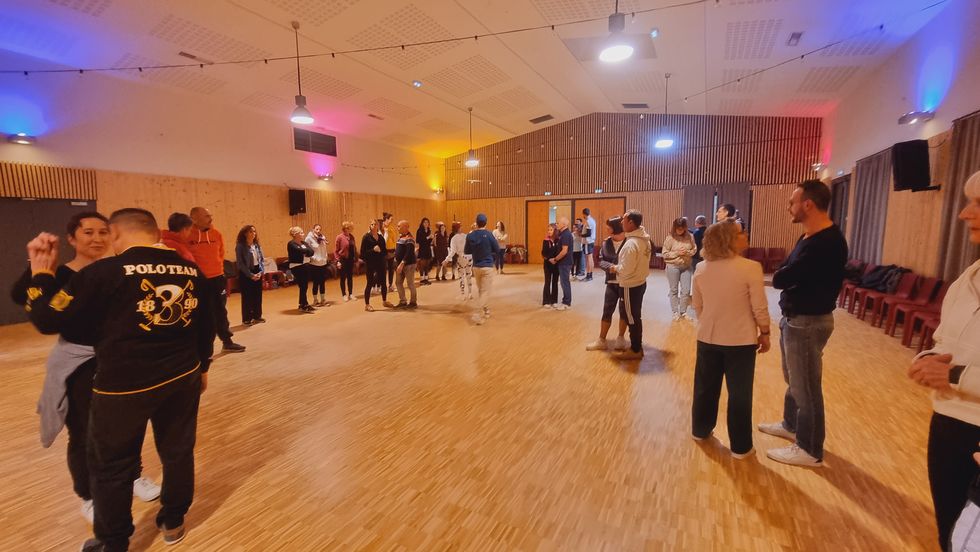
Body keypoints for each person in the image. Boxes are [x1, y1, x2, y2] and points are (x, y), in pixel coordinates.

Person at [25, 208, 214, 552]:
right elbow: (206, 322)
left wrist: (39, 276)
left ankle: (113, 543)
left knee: (112, 465)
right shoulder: (190, 269)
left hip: (124, 387)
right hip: (182, 377)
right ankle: (174, 520)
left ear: (115, 234)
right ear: (154, 232)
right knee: (177, 451)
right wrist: (202, 367)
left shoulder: (104, 272)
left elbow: (47, 319)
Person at [9, 212, 161, 525]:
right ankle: (88, 496)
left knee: (127, 426)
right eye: (88, 232)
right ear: (71, 238)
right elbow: (21, 296)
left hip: (118, 360)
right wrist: (37, 266)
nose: (97, 238)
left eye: (103, 232)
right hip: (81, 365)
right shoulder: (60, 274)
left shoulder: (118, 269)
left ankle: (133, 476)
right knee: (83, 433)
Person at [907, 170, 980, 551]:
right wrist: (928, 359)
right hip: (949, 423)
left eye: (978, 203)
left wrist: (954, 375)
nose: (965, 213)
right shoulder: (968, 278)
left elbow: (958, 369)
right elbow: (944, 341)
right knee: (949, 530)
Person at [758, 180, 847, 468]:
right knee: (795, 379)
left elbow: (782, 277)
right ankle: (791, 424)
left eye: (792, 202)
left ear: (808, 204)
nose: (789, 207)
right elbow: (786, 271)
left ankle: (809, 449)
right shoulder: (808, 237)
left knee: (806, 386)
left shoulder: (826, 242)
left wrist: (784, 274)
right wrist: (785, 274)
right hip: (795, 317)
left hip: (808, 322)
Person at [690, 220, 771, 459]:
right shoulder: (750, 267)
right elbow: (759, 307)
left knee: (705, 388)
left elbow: (697, 305)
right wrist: (765, 332)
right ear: (729, 239)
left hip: (708, 337)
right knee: (739, 394)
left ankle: (700, 430)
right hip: (740, 340)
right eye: (741, 232)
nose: (746, 235)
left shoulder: (702, 268)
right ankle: (740, 447)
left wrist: (710, 321)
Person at [187, 207, 245, 353]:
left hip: (217, 278)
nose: (210, 218)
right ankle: (202, 346)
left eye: (210, 215)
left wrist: (217, 270)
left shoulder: (216, 234)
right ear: (194, 219)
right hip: (198, 281)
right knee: (201, 314)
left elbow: (221, 253)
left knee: (220, 311)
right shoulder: (188, 235)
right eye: (206, 216)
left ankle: (227, 341)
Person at [608, 209, 652, 360]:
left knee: (631, 317)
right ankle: (636, 346)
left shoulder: (631, 244)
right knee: (635, 315)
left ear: (631, 222)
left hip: (630, 285)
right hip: (640, 282)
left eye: (624, 220)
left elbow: (626, 270)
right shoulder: (644, 239)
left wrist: (615, 268)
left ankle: (635, 349)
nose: (621, 222)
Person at [586, 216, 628, 351]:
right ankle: (601, 340)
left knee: (624, 311)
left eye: (609, 227)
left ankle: (621, 338)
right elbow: (600, 260)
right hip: (611, 282)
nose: (607, 229)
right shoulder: (606, 243)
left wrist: (620, 268)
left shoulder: (629, 242)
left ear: (616, 228)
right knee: (607, 310)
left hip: (626, 283)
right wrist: (612, 267)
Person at [465, 213, 500, 325]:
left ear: (477, 222)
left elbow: (467, 251)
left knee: (481, 290)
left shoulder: (470, 236)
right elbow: (497, 249)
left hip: (476, 267)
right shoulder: (489, 235)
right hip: (487, 267)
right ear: (486, 223)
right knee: (485, 291)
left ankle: (486, 309)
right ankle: (477, 313)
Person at [663, 217, 698, 320]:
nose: (680, 231)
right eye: (678, 229)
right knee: (674, 290)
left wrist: (687, 252)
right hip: (673, 266)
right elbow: (664, 254)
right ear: (674, 228)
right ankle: (675, 312)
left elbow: (694, 249)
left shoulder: (690, 236)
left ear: (685, 228)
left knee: (686, 290)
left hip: (686, 266)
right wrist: (677, 253)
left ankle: (683, 312)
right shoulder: (670, 238)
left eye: (682, 229)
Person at [360, 219, 393, 311]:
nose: (374, 226)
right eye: (372, 224)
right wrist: (373, 250)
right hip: (370, 264)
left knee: (383, 283)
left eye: (376, 224)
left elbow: (384, 251)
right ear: (370, 226)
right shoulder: (366, 237)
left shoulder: (381, 237)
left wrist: (386, 253)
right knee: (369, 283)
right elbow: (362, 254)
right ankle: (367, 305)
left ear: (378, 226)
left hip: (381, 263)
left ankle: (384, 301)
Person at [235, 225, 265, 326]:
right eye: (251, 232)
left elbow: (261, 260)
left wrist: (261, 271)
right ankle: (247, 318)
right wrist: (250, 275)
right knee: (247, 297)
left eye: (254, 231)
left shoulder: (256, 245)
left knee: (257, 295)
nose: (253, 234)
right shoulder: (240, 246)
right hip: (246, 273)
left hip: (257, 271)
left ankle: (257, 316)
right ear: (245, 234)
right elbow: (240, 264)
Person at [287, 226, 316, 313]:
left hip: (305, 266)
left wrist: (305, 251)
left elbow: (311, 251)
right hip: (296, 266)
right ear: (296, 234)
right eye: (301, 233)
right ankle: (303, 305)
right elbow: (299, 251)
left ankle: (303, 304)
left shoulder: (303, 243)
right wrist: (305, 251)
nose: (303, 234)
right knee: (302, 286)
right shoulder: (291, 243)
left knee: (304, 286)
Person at [443, 221, 472, 300]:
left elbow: (453, 251)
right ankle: (470, 293)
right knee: (469, 275)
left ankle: (463, 294)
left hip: (461, 258)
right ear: (459, 228)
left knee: (461, 276)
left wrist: (446, 260)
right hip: (469, 257)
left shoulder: (453, 239)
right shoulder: (465, 236)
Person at [394, 220, 418, 308]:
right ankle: (403, 301)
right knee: (398, 282)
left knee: (410, 283)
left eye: (399, 226)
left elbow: (409, 253)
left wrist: (402, 264)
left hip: (408, 265)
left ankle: (413, 302)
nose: (397, 228)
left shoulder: (409, 238)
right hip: (400, 264)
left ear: (405, 227)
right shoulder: (401, 237)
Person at [551, 217, 574, 310]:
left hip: (565, 262)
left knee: (565, 282)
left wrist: (555, 259)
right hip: (564, 262)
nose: (557, 224)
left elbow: (564, 251)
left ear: (564, 224)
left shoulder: (566, 235)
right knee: (564, 282)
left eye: (558, 223)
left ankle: (566, 303)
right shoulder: (563, 234)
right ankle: (566, 301)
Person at [305, 224, 330, 307]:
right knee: (316, 282)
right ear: (313, 229)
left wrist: (325, 258)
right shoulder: (309, 238)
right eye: (317, 229)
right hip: (314, 264)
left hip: (323, 263)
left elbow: (324, 249)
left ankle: (323, 300)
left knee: (322, 282)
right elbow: (307, 251)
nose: (318, 231)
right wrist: (313, 258)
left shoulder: (322, 237)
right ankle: (315, 300)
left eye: (319, 229)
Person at [335, 221, 357, 302]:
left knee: (350, 277)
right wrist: (338, 261)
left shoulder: (352, 237)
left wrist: (356, 258)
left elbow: (354, 248)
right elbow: (336, 251)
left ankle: (350, 293)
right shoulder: (339, 237)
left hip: (350, 260)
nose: (349, 229)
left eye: (350, 228)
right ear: (344, 228)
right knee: (343, 278)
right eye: (348, 228)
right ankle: (344, 294)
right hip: (342, 259)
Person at [541, 223, 560, 308]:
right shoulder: (545, 241)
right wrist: (549, 259)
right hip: (547, 264)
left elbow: (559, 252)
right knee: (547, 282)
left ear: (555, 231)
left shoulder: (558, 240)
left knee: (555, 282)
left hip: (556, 264)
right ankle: (546, 301)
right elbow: (543, 253)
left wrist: (555, 259)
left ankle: (554, 300)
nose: (549, 231)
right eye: (548, 230)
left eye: (551, 230)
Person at [416, 218, 433, 286]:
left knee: (427, 265)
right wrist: (428, 237)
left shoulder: (429, 230)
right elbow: (418, 240)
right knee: (422, 265)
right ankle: (422, 279)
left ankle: (426, 278)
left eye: (427, 222)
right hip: (422, 249)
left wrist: (431, 238)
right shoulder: (419, 230)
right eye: (425, 222)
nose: (426, 224)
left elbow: (429, 242)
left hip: (428, 249)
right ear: (422, 223)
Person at [382, 212, 397, 288]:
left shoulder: (392, 227)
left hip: (392, 250)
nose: (392, 220)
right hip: (384, 251)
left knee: (391, 269)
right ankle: (382, 285)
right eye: (391, 219)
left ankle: (390, 284)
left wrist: (395, 249)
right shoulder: (381, 228)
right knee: (383, 269)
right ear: (386, 219)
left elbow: (394, 239)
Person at [582, 207, 597, 281]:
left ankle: (588, 275)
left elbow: (588, 233)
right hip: (591, 241)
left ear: (584, 214)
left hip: (588, 242)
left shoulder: (588, 221)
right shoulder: (592, 220)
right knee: (590, 258)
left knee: (588, 259)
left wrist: (580, 234)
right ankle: (590, 275)